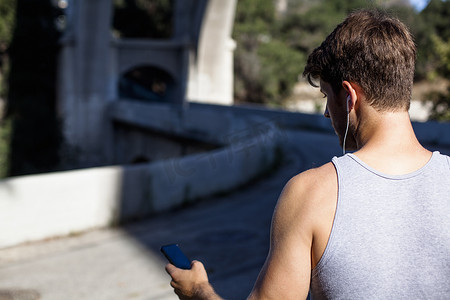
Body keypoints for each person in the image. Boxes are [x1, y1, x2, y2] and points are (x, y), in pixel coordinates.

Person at [165, 9, 450, 299]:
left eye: (328, 96)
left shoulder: (311, 194)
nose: (327, 113)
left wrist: (197, 291)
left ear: (350, 97)